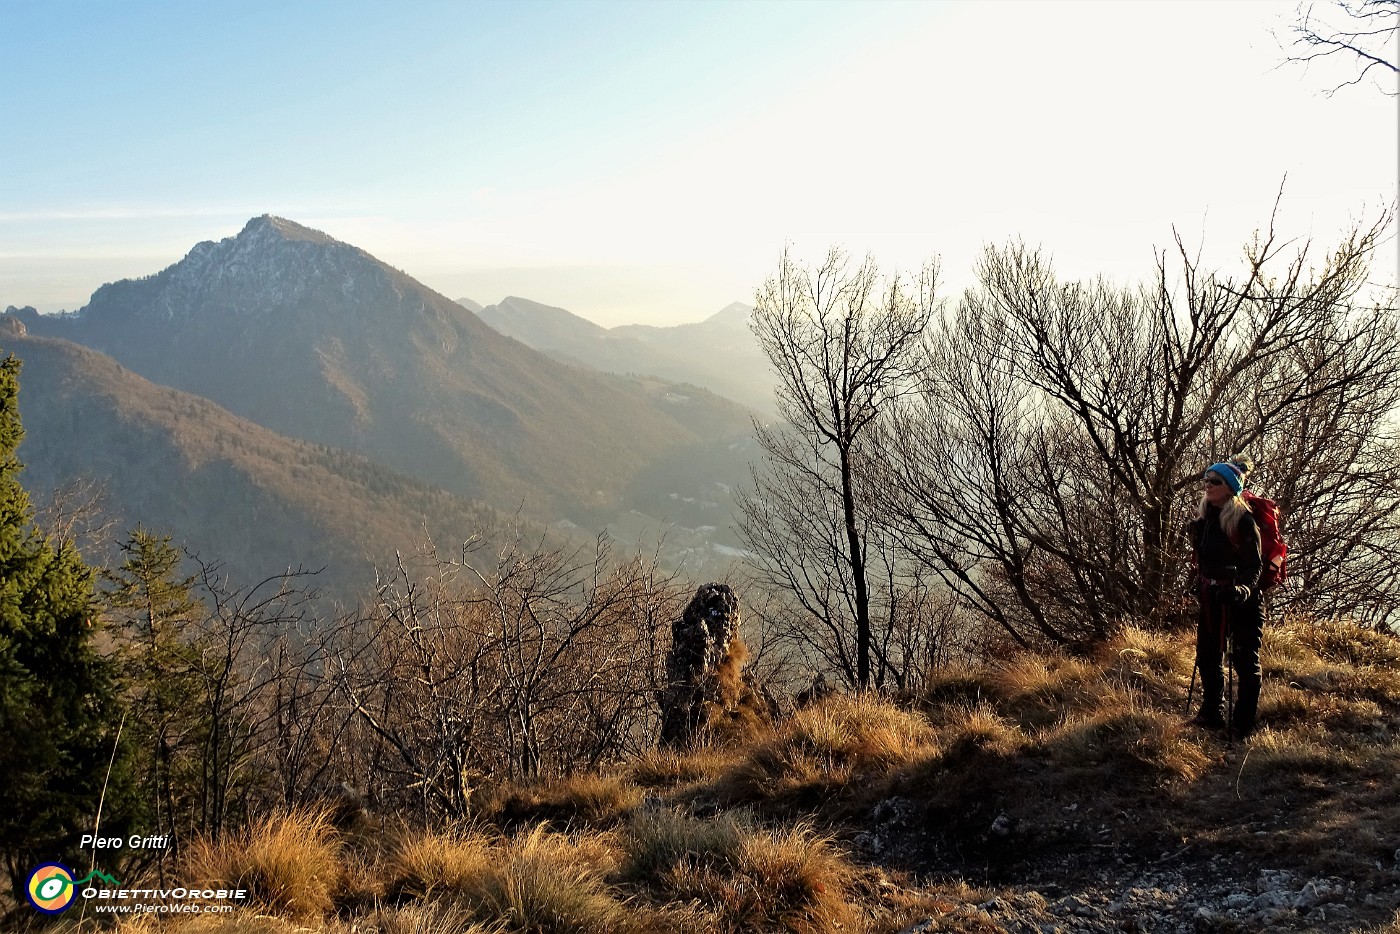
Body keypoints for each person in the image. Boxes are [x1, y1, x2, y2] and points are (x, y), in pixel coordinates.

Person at [1188, 461, 1264, 738]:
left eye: (1215, 481)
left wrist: (1243, 590)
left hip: (1242, 602)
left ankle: (1242, 724)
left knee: (1244, 661)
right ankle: (1211, 714)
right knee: (1207, 657)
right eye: (1206, 480)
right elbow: (1203, 562)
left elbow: (1255, 565)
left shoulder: (1243, 521)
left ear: (1230, 487)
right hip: (1213, 598)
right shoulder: (1203, 519)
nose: (1208, 485)